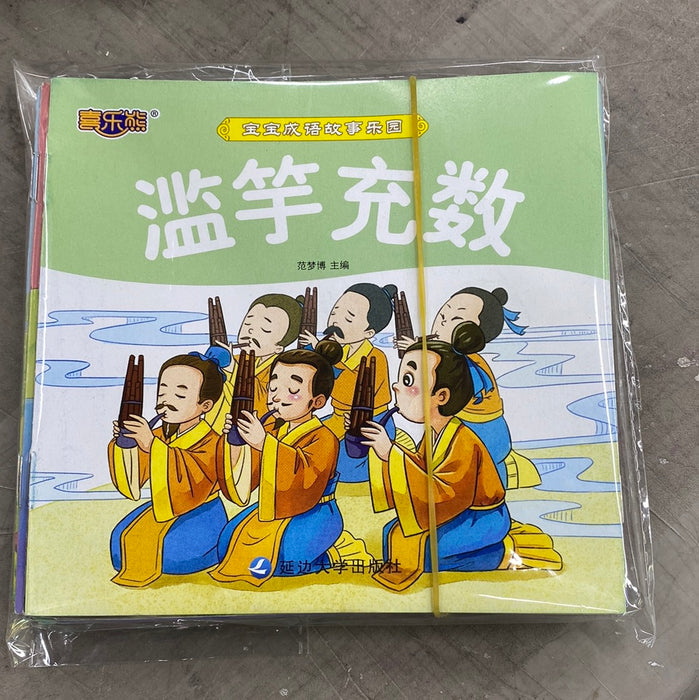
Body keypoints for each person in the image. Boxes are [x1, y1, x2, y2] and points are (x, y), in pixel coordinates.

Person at [363, 323, 560, 592]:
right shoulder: (434, 434)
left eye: (408, 380)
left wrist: (391, 454)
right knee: (392, 534)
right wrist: (386, 455)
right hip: (455, 512)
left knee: (424, 553)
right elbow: (421, 470)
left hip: (480, 518)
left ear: (441, 396)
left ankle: (502, 553)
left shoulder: (463, 440)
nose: (396, 386)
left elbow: (448, 494)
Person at [211, 340, 370, 585]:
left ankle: (333, 553)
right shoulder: (274, 431)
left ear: (317, 402)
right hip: (272, 509)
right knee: (227, 543)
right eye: (273, 387)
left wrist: (264, 444)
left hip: (313, 512)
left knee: (285, 559)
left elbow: (307, 480)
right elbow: (250, 475)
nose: (277, 397)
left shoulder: (324, 437)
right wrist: (236, 442)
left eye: (292, 390)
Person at [396, 286, 539, 490]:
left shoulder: (467, 363)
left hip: (482, 430)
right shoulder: (446, 356)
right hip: (456, 426)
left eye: (455, 320)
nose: (443, 322)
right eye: (443, 315)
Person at [108, 352, 228, 587]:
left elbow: (193, 480)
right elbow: (136, 477)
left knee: (172, 552)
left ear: (205, 405)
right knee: (119, 541)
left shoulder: (213, 442)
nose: (166, 401)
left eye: (179, 394)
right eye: (162, 393)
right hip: (164, 509)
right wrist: (126, 444)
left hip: (201, 515)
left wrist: (152, 446)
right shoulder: (159, 435)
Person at [300, 282, 397, 482]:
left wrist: (324, 355)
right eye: (335, 312)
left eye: (349, 317)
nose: (336, 321)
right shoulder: (337, 349)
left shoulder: (375, 357)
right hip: (338, 418)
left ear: (369, 333)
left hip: (370, 424)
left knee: (334, 466)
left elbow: (351, 392)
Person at [207, 293, 303, 435]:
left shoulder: (281, 369)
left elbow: (262, 401)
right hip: (214, 430)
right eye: (248, 323)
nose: (251, 330)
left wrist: (232, 368)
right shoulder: (234, 359)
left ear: (279, 348)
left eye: (265, 329)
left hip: (255, 434)